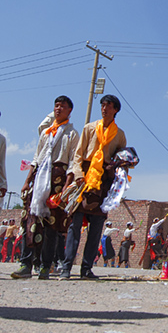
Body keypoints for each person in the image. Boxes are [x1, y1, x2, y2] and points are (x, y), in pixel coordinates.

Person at [59, 95, 127, 280]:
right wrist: (78, 175)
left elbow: (121, 160)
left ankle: (86, 268)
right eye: (103, 105)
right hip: (86, 177)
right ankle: (66, 267)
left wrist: (115, 175)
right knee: (75, 225)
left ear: (116, 110)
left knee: (96, 227)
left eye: (109, 106)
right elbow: (79, 155)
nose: (104, 108)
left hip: (104, 181)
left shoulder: (120, 135)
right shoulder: (89, 128)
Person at [11, 96, 79, 280]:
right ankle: (25, 263)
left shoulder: (71, 134)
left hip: (58, 180)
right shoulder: (46, 133)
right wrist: (27, 180)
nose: (58, 109)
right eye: (56, 106)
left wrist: (66, 184)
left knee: (51, 225)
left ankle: (45, 266)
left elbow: (73, 161)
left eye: (62, 106)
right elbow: (36, 158)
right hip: (40, 177)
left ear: (69, 110)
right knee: (30, 221)